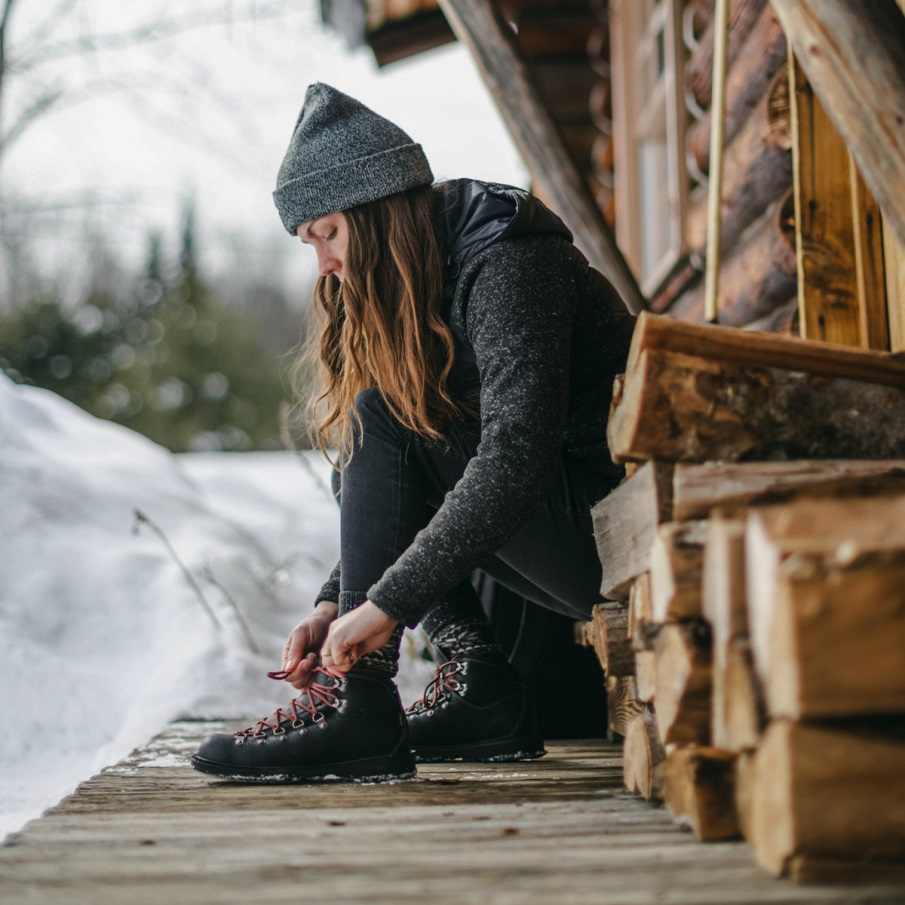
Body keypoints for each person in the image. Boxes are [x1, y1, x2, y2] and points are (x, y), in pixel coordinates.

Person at [192, 83, 636, 783]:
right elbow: (399, 483)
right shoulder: (429, 273)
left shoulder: (508, 258)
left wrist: (384, 606)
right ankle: (473, 677)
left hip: (621, 544)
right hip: (569, 551)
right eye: (311, 245)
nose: (325, 266)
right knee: (380, 426)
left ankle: (355, 702)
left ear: (374, 208)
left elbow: (514, 458)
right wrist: (336, 600)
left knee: (390, 419)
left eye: (328, 234)